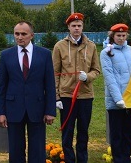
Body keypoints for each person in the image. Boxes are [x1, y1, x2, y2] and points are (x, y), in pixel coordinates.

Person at [0, 21, 56, 163]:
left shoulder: (45, 54)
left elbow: (49, 85)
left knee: (37, 149)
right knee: (16, 149)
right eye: (16, 34)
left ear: (32, 35)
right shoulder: (6, 55)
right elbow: (1, 86)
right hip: (13, 108)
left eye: (23, 34)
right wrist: (1, 112)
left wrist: (50, 111)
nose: (20, 37)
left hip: (37, 108)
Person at [52, 12, 101, 163]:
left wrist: (88, 76)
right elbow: (55, 72)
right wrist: (56, 96)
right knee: (67, 133)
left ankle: (82, 160)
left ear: (82, 27)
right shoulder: (60, 46)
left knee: (83, 133)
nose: (77, 29)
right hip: (67, 96)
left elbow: (96, 70)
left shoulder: (91, 46)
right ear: (68, 27)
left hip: (85, 95)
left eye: (79, 26)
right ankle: (69, 160)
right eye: (73, 26)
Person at [100, 23, 131, 163]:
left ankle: (126, 158)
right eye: (118, 35)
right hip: (116, 101)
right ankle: (118, 159)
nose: (120, 38)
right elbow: (109, 77)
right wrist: (118, 99)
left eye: (123, 35)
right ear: (112, 36)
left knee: (127, 133)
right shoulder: (106, 52)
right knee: (117, 134)